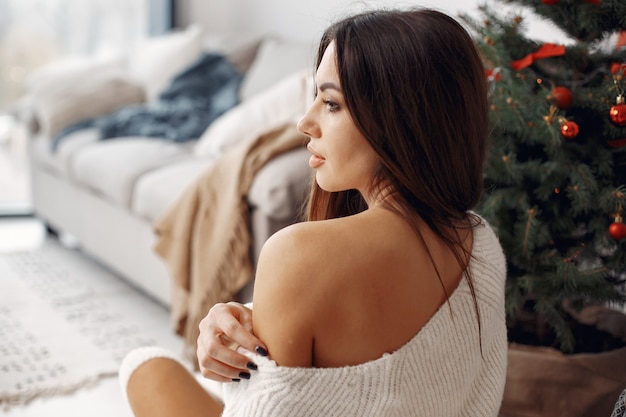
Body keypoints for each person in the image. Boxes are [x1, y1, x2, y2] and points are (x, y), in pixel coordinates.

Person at [119, 7, 508, 417]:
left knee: (143, 367)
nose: (305, 122)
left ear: (399, 119)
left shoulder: (296, 255)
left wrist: (245, 370)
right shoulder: (480, 244)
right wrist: (238, 318)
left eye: (331, 104)